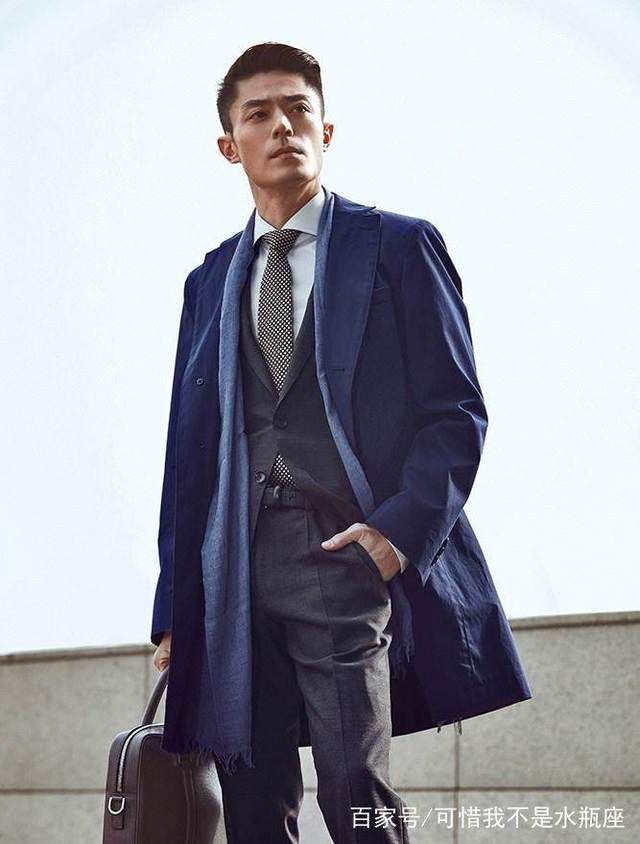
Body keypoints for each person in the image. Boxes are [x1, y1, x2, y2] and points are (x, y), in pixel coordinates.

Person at [151, 42, 532, 843]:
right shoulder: (208, 281)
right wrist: (174, 610)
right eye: (259, 114)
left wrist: (395, 537)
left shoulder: (397, 246)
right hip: (231, 568)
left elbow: (455, 411)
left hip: (340, 551)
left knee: (355, 788)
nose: (282, 126)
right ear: (229, 146)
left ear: (327, 130)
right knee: (253, 807)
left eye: (299, 109)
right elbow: (187, 456)